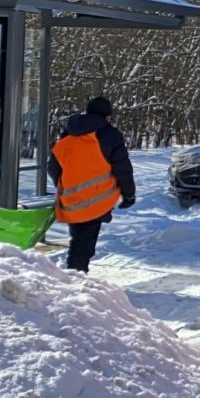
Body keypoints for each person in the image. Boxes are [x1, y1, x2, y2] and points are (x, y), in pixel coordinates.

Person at [47, 97, 135, 273]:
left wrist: (65, 185)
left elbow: (53, 167)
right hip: (98, 198)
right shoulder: (110, 135)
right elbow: (122, 168)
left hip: (71, 199)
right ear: (107, 116)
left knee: (80, 240)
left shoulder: (68, 135)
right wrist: (129, 194)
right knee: (83, 244)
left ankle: (76, 273)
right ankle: (75, 277)